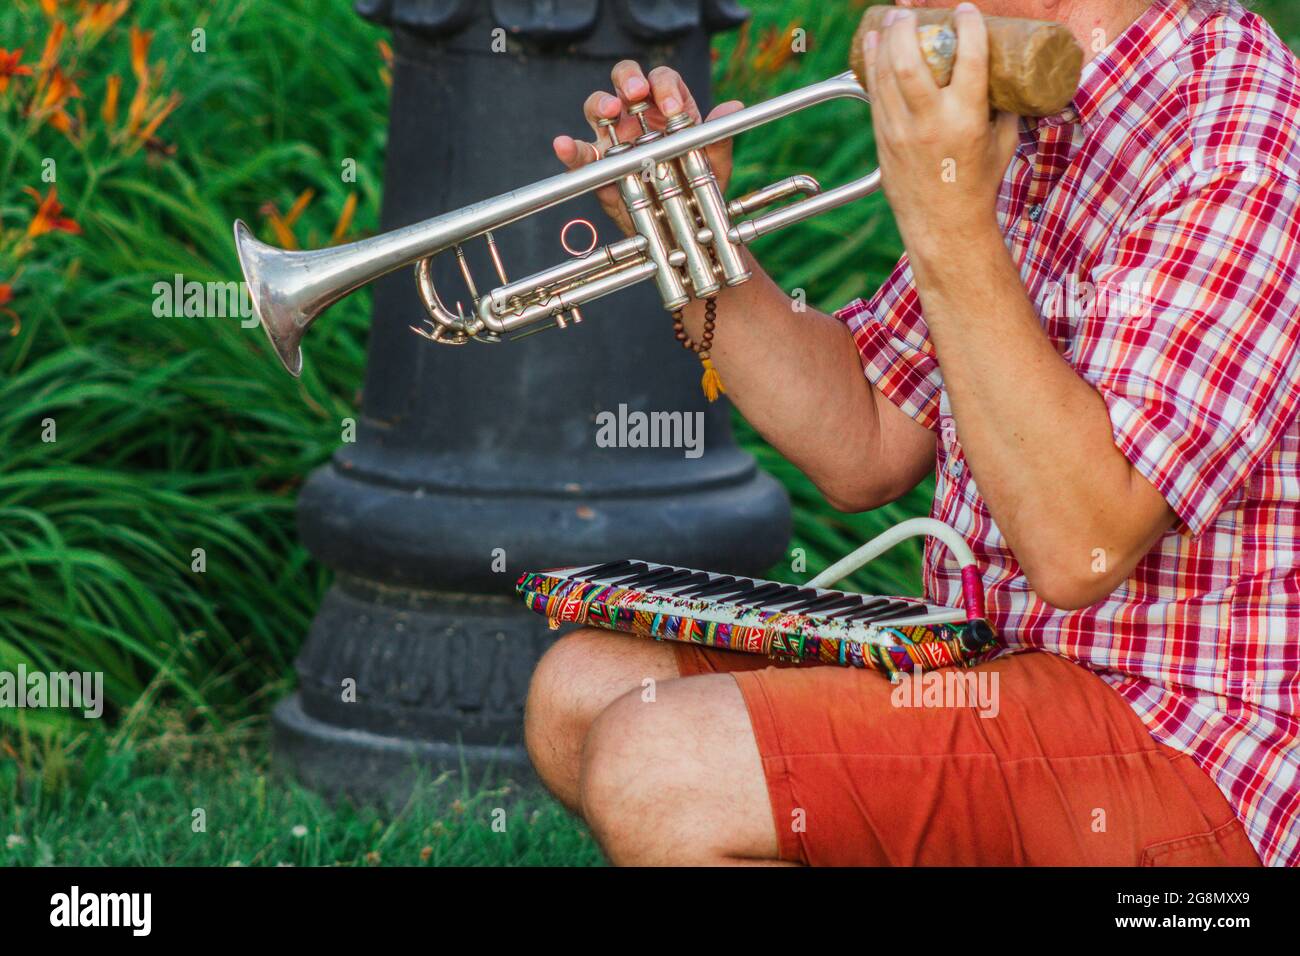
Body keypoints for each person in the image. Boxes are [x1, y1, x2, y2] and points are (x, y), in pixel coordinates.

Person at [527, 0, 1300, 866]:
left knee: (663, 761)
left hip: (1192, 742)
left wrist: (948, 214)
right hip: (991, 663)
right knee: (581, 692)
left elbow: (1084, 543)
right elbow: (865, 441)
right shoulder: (1012, 100)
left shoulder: (1230, 115)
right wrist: (689, 231)